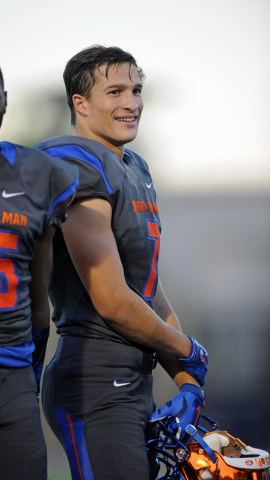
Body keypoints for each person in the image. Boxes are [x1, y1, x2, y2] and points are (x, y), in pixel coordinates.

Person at [35, 45, 208, 480]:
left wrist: (186, 378)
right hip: (91, 381)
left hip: (134, 380)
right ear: (81, 103)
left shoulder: (135, 168)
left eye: (136, 89)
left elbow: (148, 287)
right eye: (114, 92)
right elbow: (112, 299)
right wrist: (188, 350)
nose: (131, 103)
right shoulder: (75, 164)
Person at [0, 67, 79, 480]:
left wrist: (31, 362)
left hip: (12, 368)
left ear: (4, 101)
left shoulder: (39, 174)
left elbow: (38, 288)